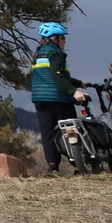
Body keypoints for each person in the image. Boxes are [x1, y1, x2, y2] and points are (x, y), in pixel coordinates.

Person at [29, 22, 80, 172]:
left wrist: (80, 83)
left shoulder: (38, 54)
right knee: (72, 128)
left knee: (48, 133)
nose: (65, 41)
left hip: (39, 99)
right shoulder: (56, 53)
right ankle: (78, 162)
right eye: (63, 38)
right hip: (57, 98)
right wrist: (74, 91)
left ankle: (52, 165)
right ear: (54, 39)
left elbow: (50, 75)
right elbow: (58, 76)